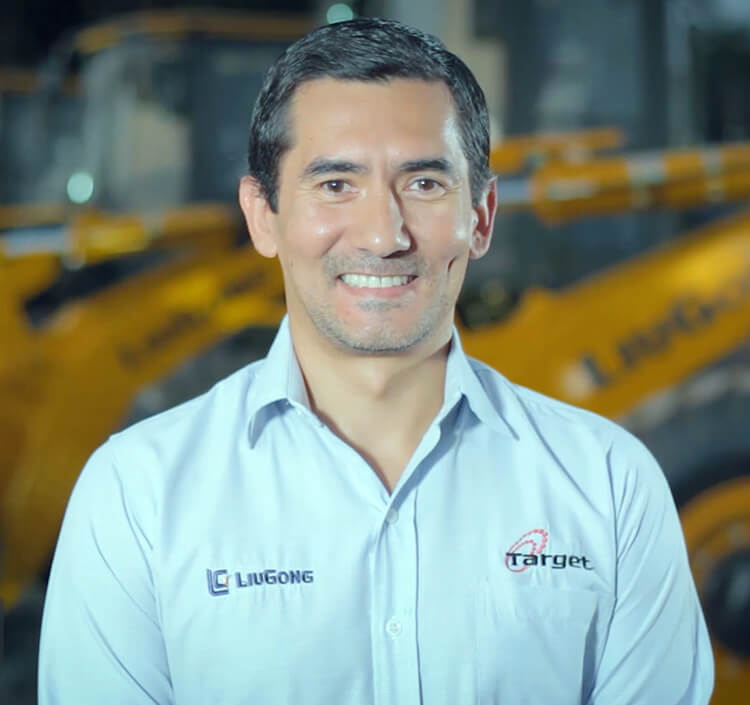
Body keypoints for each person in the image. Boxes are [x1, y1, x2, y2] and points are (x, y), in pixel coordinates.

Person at [38, 17, 714, 705]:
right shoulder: (138, 494)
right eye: (336, 185)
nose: (383, 235)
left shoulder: (609, 485)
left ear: (481, 216)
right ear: (263, 216)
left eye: (423, 185)